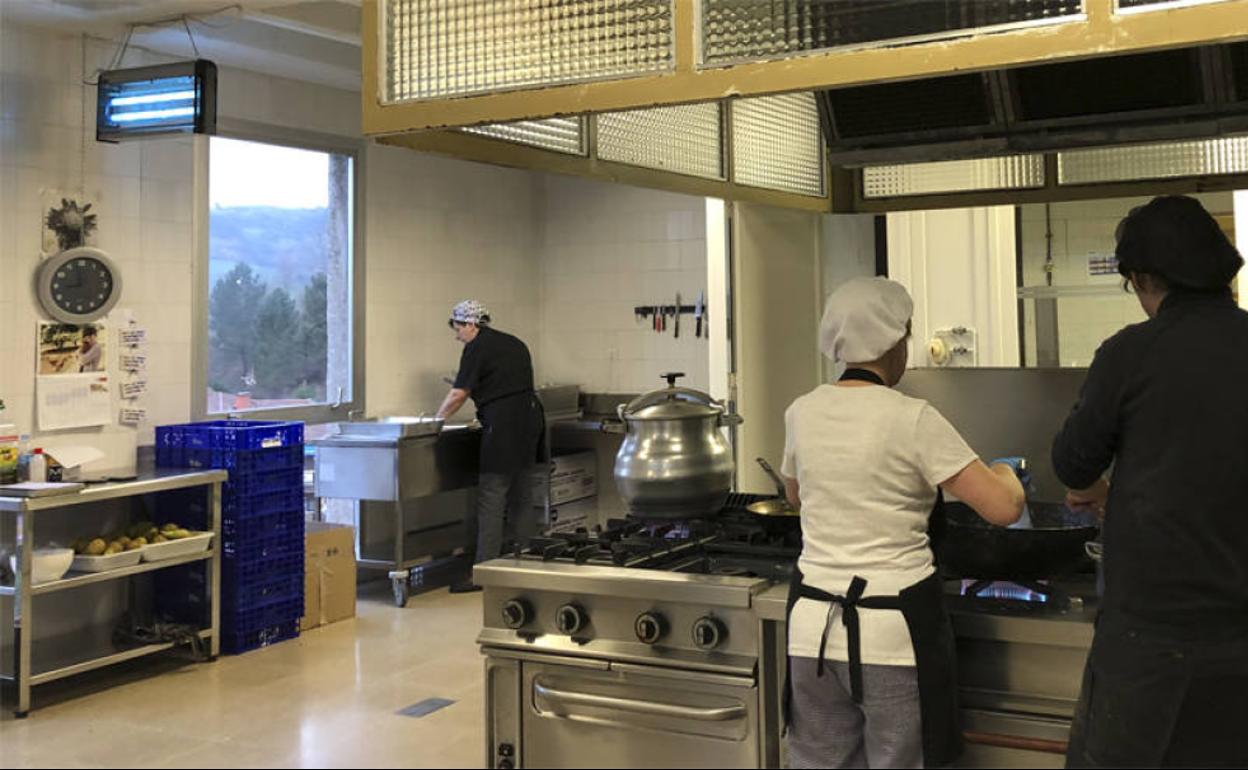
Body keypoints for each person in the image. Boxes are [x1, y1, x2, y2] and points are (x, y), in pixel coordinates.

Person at [781, 276, 1026, 769]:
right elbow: (1003, 508)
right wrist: (1006, 471)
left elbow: (796, 495)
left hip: (811, 629)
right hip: (894, 634)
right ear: (895, 341)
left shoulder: (801, 412)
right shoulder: (913, 417)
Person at [1053, 195, 1248, 768]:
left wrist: (1100, 492)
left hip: (1149, 640)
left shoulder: (1131, 353)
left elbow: (1073, 466)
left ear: (1142, 278)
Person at [436, 300, 544, 594]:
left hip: (504, 426)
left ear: (471, 324)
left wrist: (434, 422)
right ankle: (527, 563)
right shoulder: (514, 343)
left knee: (492, 496)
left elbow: (459, 392)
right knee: (522, 494)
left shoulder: (477, 347)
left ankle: (485, 571)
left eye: (458, 329)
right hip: (530, 420)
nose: (457, 336)